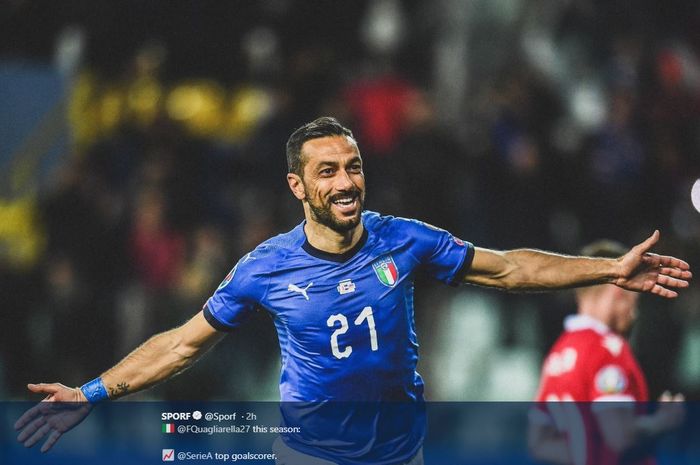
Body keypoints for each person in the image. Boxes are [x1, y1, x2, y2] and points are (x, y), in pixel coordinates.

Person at [16, 117, 691, 464]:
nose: (346, 182)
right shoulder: (263, 267)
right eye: (329, 171)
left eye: (354, 166)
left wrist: (605, 268)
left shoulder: (405, 239)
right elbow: (182, 345)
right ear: (298, 186)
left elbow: (510, 267)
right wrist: (92, 391)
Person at [528, 240, 685, 465]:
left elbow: (538, 443)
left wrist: (585, 455)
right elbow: (619, 437)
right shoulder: (607, 350)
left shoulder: (557, 354)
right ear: (620, 293)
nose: (634, 313)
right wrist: (663, 421)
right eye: (634, 300)